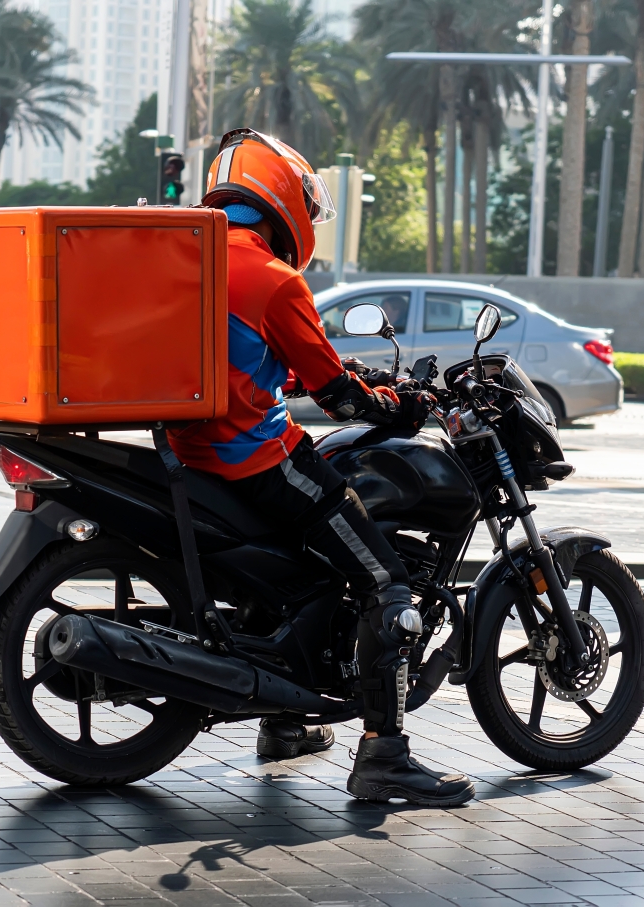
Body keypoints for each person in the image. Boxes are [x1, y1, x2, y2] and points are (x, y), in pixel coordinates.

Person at [167, 128, 475, 807]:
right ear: (282, 198)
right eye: (307, 204)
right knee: (385, 581)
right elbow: (339, 399)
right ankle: (384, 756)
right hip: (258, 460)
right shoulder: (275, 280)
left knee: (305, 571)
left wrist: (343, 375)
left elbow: (248, 359)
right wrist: (399, 406)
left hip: (193, 455)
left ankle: (287, 721)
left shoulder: (191, 256)